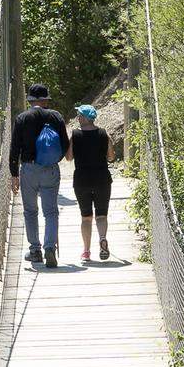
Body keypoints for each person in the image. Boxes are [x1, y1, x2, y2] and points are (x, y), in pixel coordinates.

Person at [8, 83, 68, 267]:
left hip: (29, 169)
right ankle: (50, 247)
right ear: (45, 100)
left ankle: (35, 250)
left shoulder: (22, 118)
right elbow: (65, 145)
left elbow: (14, 148)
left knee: (30, 211)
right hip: (49, 168)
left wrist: (14, 174)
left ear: (30, 100)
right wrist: (54, 159)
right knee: (50, 211)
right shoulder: (55, 116)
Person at [67, 104, 113, 261]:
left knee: (86, 217)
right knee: (101, 215)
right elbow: (111, 157)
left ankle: (86, 251)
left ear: (86, 118)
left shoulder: (75, 135)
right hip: (102, 179)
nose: (78, 118)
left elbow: (68, 157)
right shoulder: (103, 134)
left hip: (82, 180)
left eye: (79, 115)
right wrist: (109, 141)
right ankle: (102, 238)